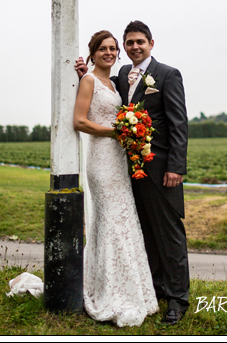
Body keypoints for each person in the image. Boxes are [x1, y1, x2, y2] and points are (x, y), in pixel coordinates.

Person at [75, 21, 190, 325]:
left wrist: (176, 167)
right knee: (144, 233)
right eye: (129, 43)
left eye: (140, 41)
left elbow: (178, 123)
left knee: (169, 234)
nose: (134, 47)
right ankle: (156, 288)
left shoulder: (167, 75)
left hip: (161, 168)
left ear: (151, 43)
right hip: (127, 168)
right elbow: (99, 88)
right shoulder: (122, 77)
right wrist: (81, 72)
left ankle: (178, 299)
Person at [73, 29, 158, 327]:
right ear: (93, 53)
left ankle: (128, 288)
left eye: (112, 49)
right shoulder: (89, 80)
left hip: (118, 159)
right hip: (101, 157)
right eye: (103, 49)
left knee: (122, 218)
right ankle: (109, 292)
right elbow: (80, 121)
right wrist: (116, 131)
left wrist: (126, 133)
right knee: (110, 218)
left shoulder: (112, 81)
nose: (109, 53)